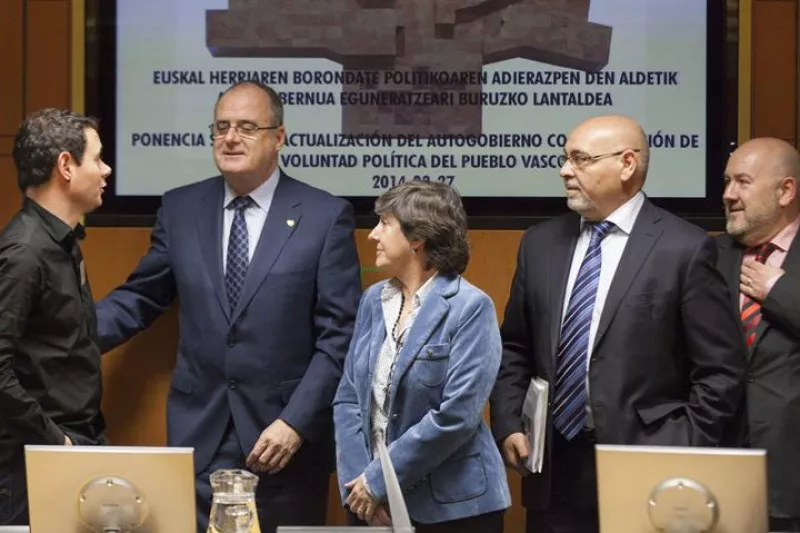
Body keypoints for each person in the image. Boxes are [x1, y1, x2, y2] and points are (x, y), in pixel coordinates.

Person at [95, 81, 362, 533]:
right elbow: (141, 296)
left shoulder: (324, 216)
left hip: (282, 441)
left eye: (246, 127)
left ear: (279, 137)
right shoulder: (180, 208)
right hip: (200, 436)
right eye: (221, 127)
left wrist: (294, 423)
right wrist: (64, 334)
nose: (230, 138)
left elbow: (340, 335)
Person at [489, 115, 748, 533]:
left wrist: (681, 445)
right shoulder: (538, 243)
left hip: (647, 464)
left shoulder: (684, 248)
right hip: (553, 467)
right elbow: (514, 347)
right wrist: (508, 423)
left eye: (580, 159)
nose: (564, 170)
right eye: (565, 157)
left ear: (627, 164)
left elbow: (721, 370)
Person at [333, 181, 511, 533]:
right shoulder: (372, 300)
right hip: (369, 503)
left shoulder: (470, 307)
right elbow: (348, 399)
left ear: (418, 239)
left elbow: (456, 416)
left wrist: (379, 481)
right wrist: (359, 487)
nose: (371, 235)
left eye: (384, 223)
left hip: (454, 509)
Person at [0, 108, 112, 525]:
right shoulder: (25, 253)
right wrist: (57, 441)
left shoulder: (60, 242)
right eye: (97, 159)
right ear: (65, 166)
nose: (106, 169)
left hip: (68, 445)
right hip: (30, 459)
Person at [717, 137, 800, 532]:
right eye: (727, 181)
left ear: (786, 190)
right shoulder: (709, 256)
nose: (728, 195)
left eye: (743, 182)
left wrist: (780, 292)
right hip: (718, 467)